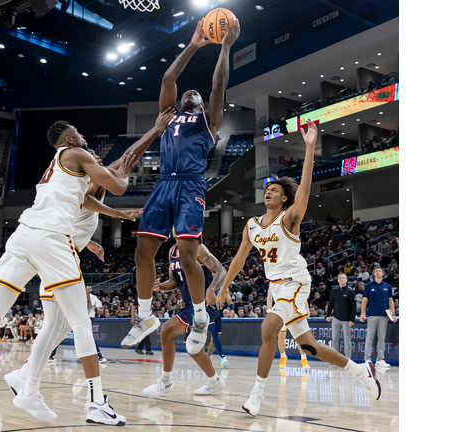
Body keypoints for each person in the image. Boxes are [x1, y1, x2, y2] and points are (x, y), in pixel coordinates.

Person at [0, 116, 142, 425]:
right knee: (80, 323)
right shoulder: (77, 152)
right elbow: (115, 184)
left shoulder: (57, 167)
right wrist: (126, 174)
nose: (82, 135)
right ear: (71, 139)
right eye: (78, 131)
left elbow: (85, 198)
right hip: (51, 240)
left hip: (23, 236)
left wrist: (116, 213)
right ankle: (97, 403)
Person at [216, 119, 380, 418]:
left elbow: (304, 189)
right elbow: (239, 260)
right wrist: (224, 286)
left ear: (284, 198)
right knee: (309, 347)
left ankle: (257, 394)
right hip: (277, 285)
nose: (269, 192)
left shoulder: (290, 218)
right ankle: (360, 371)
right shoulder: (252, 226)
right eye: (267, 189)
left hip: (295, 282)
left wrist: (308, 149)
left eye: (275, 190)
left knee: (268, 328)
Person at [124, 16, 241, 357]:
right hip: (164, 184)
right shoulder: (168, 116)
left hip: (191, 185)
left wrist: (225, 48)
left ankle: (201, 317)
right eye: (187, 93)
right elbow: (168, 77)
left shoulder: (210, 121)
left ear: (203, 105)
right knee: (141, 252)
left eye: (197, 94)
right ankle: (145, 316)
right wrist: (193, 44)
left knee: (189, 258)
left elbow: (219, 86)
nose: (191, 91)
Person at [142, 238, 228, 398]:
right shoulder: (172, 252)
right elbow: (173, 281)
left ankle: (166, 380)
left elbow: (221, 271)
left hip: (206, 303)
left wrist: (211, 289)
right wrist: (160, 287)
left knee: (167, 330)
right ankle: (215, 382)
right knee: (194, 351)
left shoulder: (199, 248)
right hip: (190, 305)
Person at [360, 266, 397, 367]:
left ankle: (380, 360)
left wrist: (393, 314)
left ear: (382, 274)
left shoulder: (388, 286)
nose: (378, 272)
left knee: (382, 338)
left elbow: (391, 301)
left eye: (380, 271)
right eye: (376, 271)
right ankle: (367, 359)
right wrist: (362, 313)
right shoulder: (368, 286)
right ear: (374, 274)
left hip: (384, 316)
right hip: (372, 315)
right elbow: (364, 300)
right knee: (370, 338)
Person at [267, 289, 310, 369]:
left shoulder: (291, 279)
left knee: (299, 337)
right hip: (281, 312)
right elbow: (269, 297)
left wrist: (307, 308)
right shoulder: (273, 281)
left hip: (293, 311)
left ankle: (304, 358)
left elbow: (301, 295)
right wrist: (269, 310)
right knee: (281, 337)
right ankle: (283, 357)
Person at [325, 273, 356, 360]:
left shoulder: (350, 291)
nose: (342, 279)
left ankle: (348, 359)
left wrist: (352, 319)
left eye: (343, 278)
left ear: (346, 280)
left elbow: (353, 307)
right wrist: (328, 315)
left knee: (347, 339)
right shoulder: (334, 291)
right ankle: (335, 358)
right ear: (338, 280)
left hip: (346, 319)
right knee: (334, 338)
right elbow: (331, 303)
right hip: (335, 318)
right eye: (340, 278)